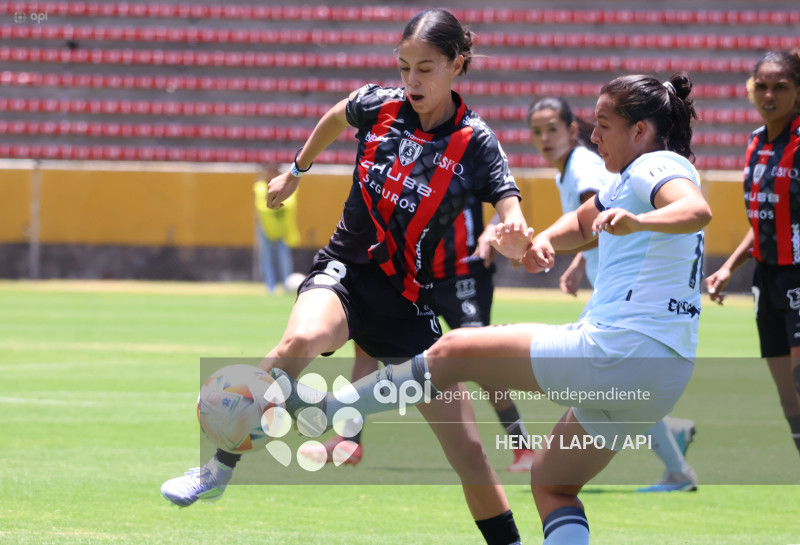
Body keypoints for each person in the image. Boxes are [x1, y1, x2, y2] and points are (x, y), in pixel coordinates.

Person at [274, 72, 712, 544]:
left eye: (603, 124)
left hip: (619, 352)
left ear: (640, 131)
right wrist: (542, 240)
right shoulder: (629, 178)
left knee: (456, 350)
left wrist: (638, 220)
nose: (594, 135)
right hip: (665, 373)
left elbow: (695, 209)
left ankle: (329, 407)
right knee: (552, 483)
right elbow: (583, 221)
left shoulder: (657, 167)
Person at [162, 9, 528, 545]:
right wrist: (298, 169)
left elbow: (507, 200)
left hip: (408, 304)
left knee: (468, 451)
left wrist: (513, 225)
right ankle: (217, 470)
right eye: (404, 66)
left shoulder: (474, 141)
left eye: (426, 68)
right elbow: (337, 116)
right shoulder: (379, 105)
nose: (413, 81)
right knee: (301, 338)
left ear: (457, 65)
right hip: (346, 271)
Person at [528, 96, 699, 492]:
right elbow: (593, 219)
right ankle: (674, 460)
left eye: (552, 129)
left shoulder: (591, 166)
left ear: (571, 130)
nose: (544, 138)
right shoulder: (575, 169)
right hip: (618, 295)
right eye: (537, 131)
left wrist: (579, 255)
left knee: (615, 376)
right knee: (621, 385)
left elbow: (606, 214)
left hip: (628, 299)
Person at [302, 197, 536, 473]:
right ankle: (349, 442)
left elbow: (506, 198)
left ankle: (523, 446)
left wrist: (491, 229)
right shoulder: (403, 158)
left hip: (461, 272)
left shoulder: (472, 155)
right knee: (365, 347)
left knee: (479, 356)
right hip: (410, 272)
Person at [705, 49, 800, 457]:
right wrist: (728, 266)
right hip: (766, 278)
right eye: (761, 86)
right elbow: (762, 220)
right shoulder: (755, 144)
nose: (769, 94)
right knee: (786, 394)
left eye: (781, 86)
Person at [253, 171, 300, 294]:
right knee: (266, 257)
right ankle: (270, 288)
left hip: (282, 229)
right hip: (266, 228)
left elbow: (289, 205)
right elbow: (260, 206)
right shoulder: (261, 188)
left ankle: (287, 286)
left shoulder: (287, 186)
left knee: (284, 258)